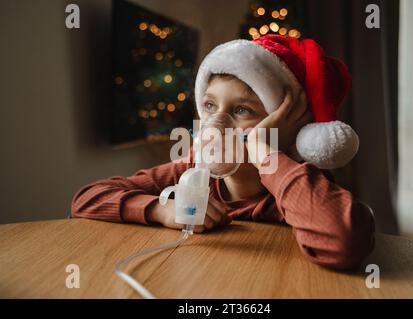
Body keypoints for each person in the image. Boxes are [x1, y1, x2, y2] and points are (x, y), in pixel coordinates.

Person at [71, 35, 374, 270]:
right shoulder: (189, 170)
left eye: (242, 109)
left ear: (290, 129)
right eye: (210, 106)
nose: (215, 124)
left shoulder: (299, 185)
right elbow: (87, 199)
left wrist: (262, 150)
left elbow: (343, 242)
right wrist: (161, 210)